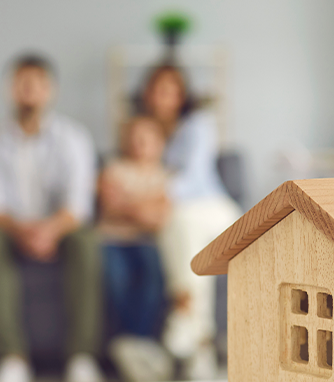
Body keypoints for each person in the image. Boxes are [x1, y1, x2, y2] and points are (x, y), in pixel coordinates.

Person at [0, 53, 102, 382]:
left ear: (50, 90)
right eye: (21, 83)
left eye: (37, 84)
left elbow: (78, 204)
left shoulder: (74, 139)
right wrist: (23, 230)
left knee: (87, 241)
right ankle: (11, 358)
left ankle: (81, 357)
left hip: (61, 225)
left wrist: (50, 230)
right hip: (9, 227)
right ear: (9, 89)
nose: (29, 90)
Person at [136, 62, 241, 380]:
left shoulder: (199, 124)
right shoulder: (146, 132)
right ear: (147, 94)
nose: (162, 97)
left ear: (182, 96)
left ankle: (183, 314)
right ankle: (201, 348)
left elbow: (192, 178)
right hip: (182, 221)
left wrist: (153, 202)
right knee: (183, 229)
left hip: (215, 210)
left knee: (180, 218)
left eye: (170, 90)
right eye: (156, 90)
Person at [99, 117, 174, 382]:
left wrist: (128, 203)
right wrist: (144, 204)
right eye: (135, 137)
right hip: (112, 240)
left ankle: (136, 344)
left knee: (153, 280)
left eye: (147, 138)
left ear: (160, 144)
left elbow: (160, 216)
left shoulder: (163, 173)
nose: (139, 144)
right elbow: (110, 206)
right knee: (116, 280)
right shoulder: (114, 168)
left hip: (146, 242)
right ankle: (131, 345)